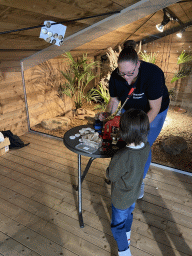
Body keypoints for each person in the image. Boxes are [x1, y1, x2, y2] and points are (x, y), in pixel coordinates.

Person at [99, 41, 170, 198]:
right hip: (131, 108)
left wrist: (137, 129)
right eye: (122, 73)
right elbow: (114, 100)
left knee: (142, 143)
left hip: (153, 111)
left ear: (138, 64)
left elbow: (155, 108)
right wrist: (108, 115)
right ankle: (121, 172)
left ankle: (139, 180)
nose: (127, 79)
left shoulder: (153, 74)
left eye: (130, 73)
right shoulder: (117, 77)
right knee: (125, 140)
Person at [106, 109, 150, 256]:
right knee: (129, 215)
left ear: (123, 131)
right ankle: (128, 237)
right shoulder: (147, 146)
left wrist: (111, 165)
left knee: (117, 227)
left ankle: (124, 252)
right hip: (134, 193)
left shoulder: (122, 156)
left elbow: (111, 175)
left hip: (121, 199)